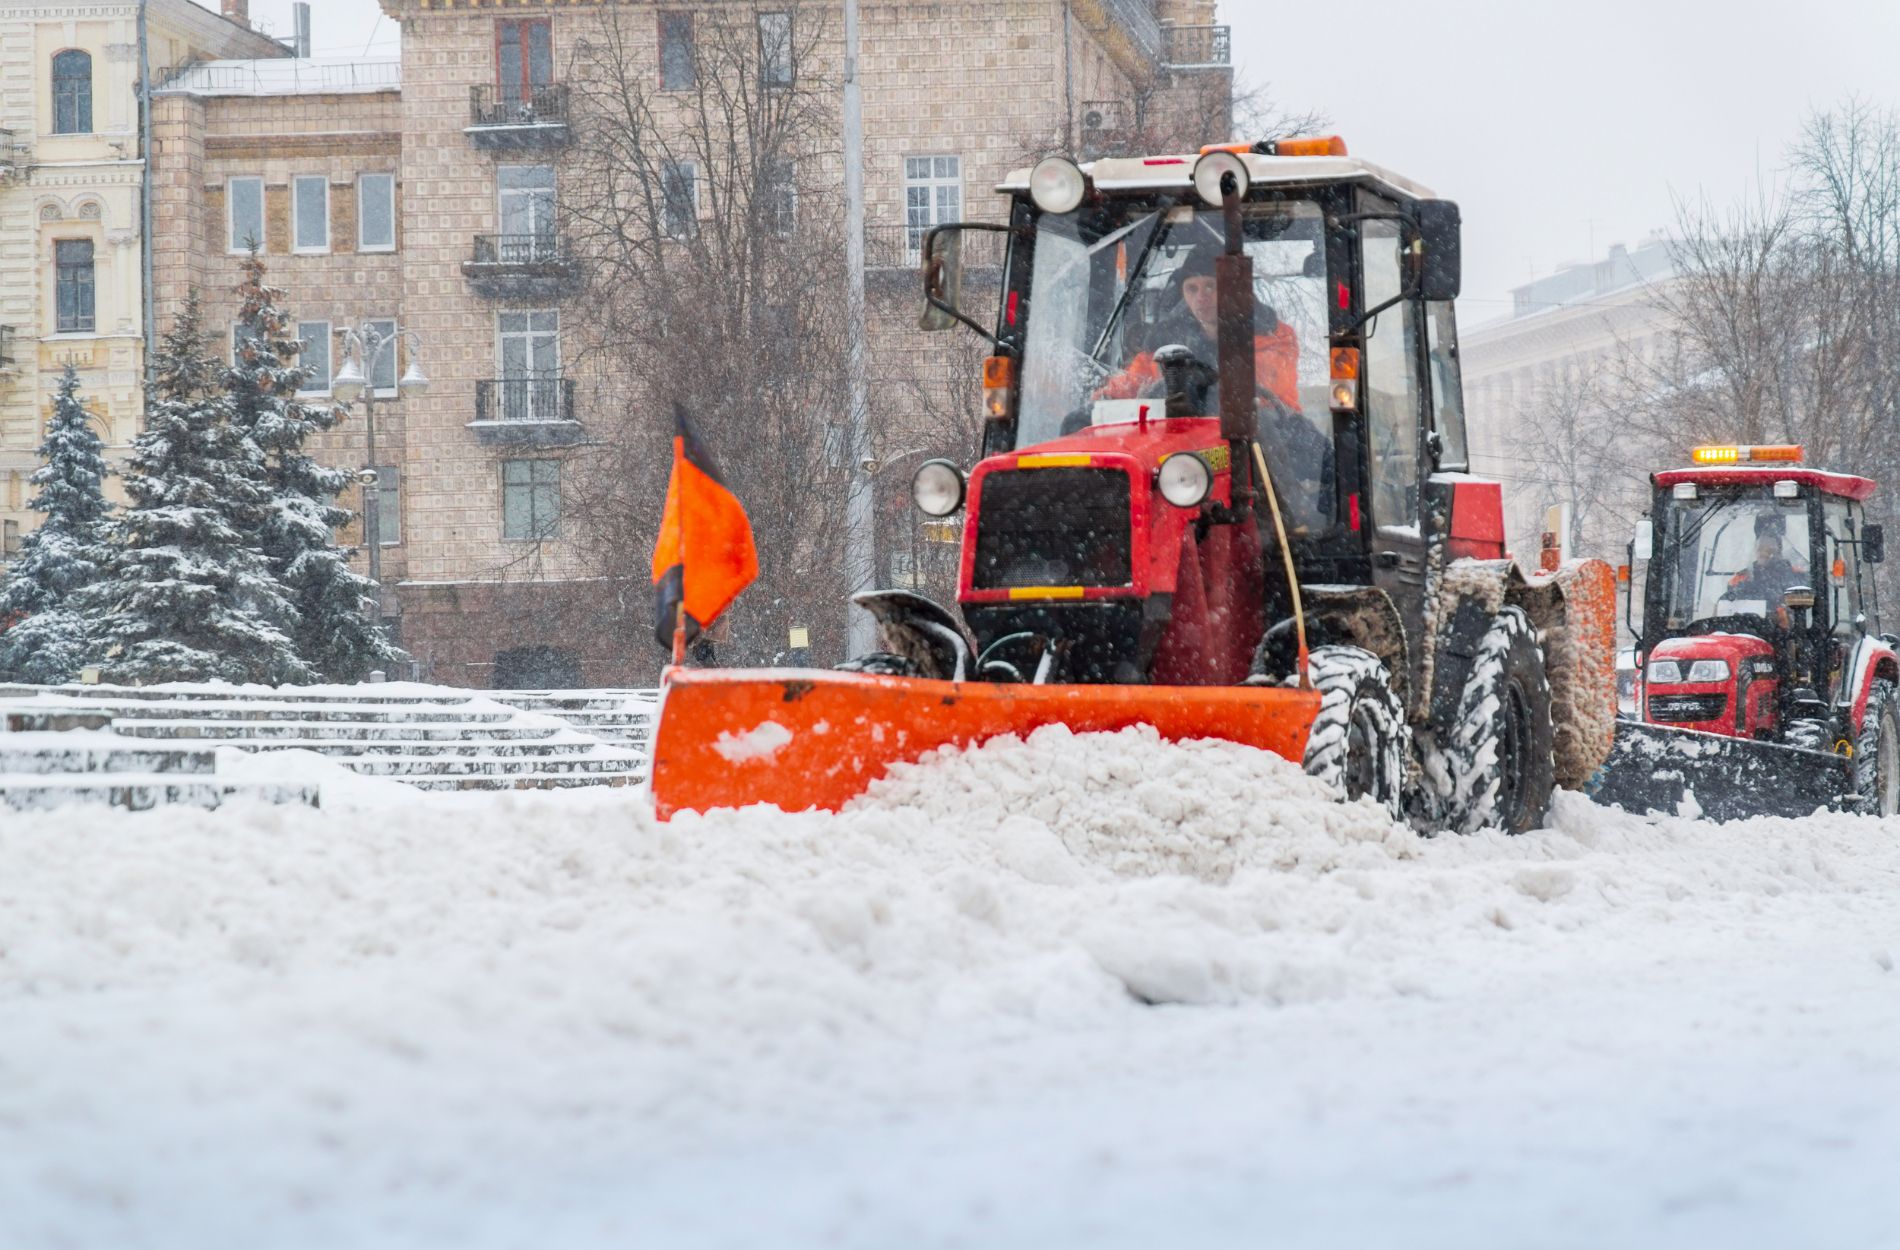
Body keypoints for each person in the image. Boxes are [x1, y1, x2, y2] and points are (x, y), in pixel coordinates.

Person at [1092, 248, 1301, 412]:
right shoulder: (1165, 343)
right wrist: (1105, 399)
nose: (1201, 297)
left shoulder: (1272, 335)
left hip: (1265, 430)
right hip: (1187, 439)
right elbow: (1137, 380)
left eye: (1210, 286)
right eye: (1192, 288)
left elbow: (1264, 384)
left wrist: (1194, 384)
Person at [1729, 532, 1806, 603]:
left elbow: (1801, 604)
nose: (1763, 553)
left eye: (1769, 550)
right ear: (1756, 550)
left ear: (1778, 552)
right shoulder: (1743, 576)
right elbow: (1729, 599)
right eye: (1760, 548)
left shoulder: (1795, 575)